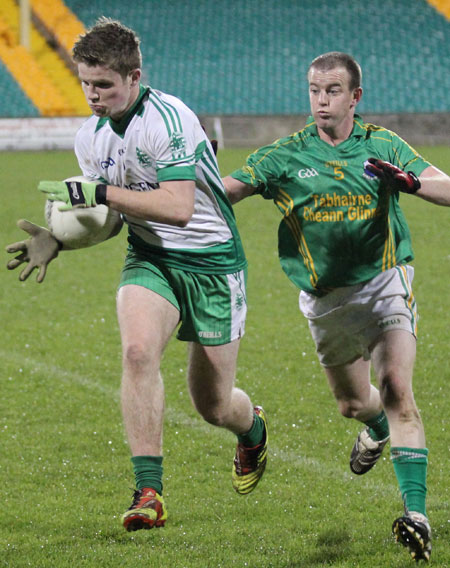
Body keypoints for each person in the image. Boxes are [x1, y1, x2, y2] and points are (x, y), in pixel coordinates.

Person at [5, 17, 268, 531]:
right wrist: (57, 236)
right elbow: (110, 216)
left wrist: (99, 194)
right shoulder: (91, 137)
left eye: (103, 84)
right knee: (138, 351)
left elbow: (178, 207)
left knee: (213, 406)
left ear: (134, 76)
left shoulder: (169, 120)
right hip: (151, 259)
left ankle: (252, 428)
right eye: (85, 83)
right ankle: (149, 491)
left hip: (213, 263)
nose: (93, 95)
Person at [223, 52, 450, 562]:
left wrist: (411, 183)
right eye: (314, 90)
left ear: (355, 97)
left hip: (386, 281)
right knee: (354, 403)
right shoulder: (283, 155)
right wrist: (193, 175)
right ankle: (376, 429)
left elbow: (445, 186)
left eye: (332, 90)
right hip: (326, 301)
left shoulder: (382, 145)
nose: (321, 100)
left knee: (396, 388)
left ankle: (416, 515)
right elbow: (221, 195)